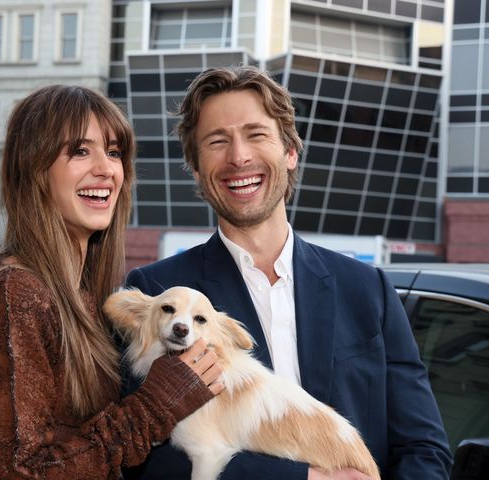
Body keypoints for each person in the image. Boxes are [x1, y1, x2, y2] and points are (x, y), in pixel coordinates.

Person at [123, 66, 452, 480]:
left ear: (290, 152)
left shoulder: (367, 289)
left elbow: (423, 447)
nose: (239, 156)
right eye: (217, 141)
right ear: (194, 167)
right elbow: (142, 455)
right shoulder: (158, 295)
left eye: (256, 134)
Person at [0, 84, 224, 479]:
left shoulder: (79, 294)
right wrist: (157, 404)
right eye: (80, 151)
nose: (107, 169)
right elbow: (22, 472)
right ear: (32, 170)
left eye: (114, 153)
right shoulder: (15, 292)